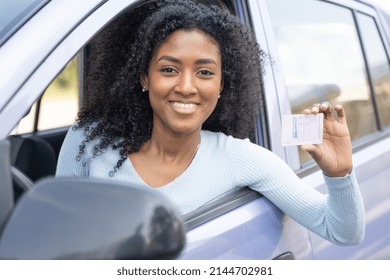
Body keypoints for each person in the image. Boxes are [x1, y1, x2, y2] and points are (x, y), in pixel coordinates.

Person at [56, 0, 365, 245]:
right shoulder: (87, 142)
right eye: (168, 69)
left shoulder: (240, 158)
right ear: (144, 78)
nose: (187, 86)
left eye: (204, 72)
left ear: (221, 86)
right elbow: (59, 240)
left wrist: (339, 174)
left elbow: (342, 232)